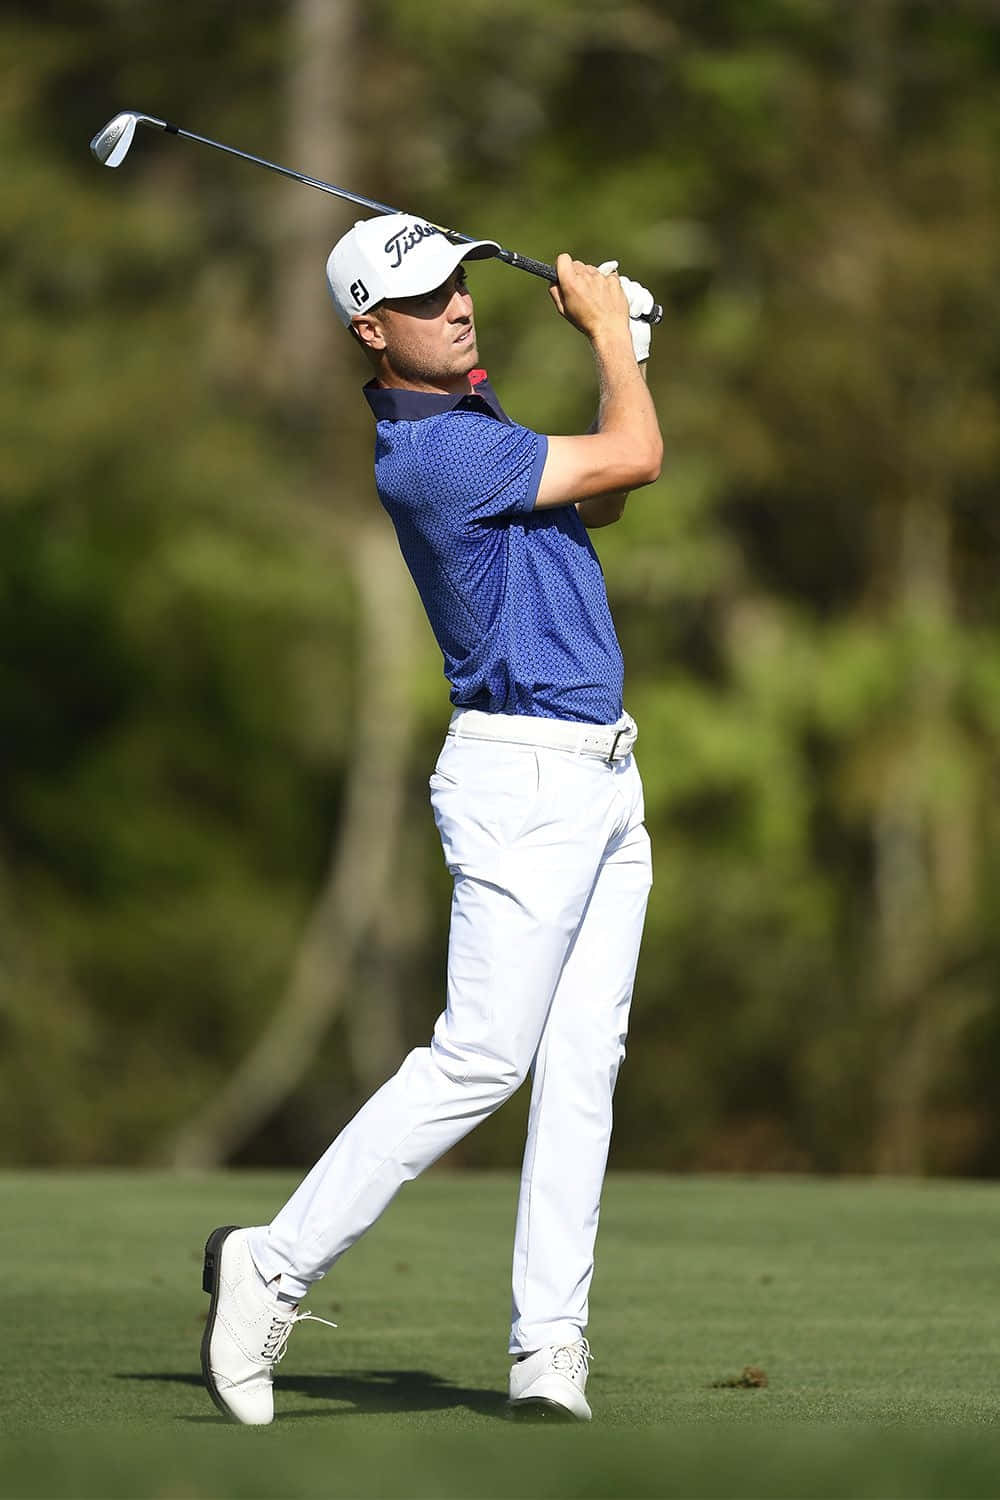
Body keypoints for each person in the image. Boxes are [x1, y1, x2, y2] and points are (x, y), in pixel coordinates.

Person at [200, 214, 662, 1426]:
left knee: (580, 1071)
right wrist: (614, 339)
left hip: (602, 775)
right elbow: (639, 462)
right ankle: (274, 1262)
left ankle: (546, 1346)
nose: (458, 305)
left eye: (458, 283)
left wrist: (630, 359)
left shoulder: (472, 420)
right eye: (425, 298)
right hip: (525, 782)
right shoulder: (432, 455)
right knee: (481, 1058)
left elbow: (598, 501)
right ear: (372, 330)